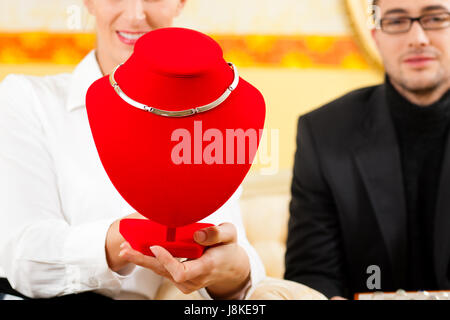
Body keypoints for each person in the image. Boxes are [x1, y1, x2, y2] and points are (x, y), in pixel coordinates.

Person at [0, 0, 265, 300]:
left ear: (180, 3)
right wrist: (123, 239)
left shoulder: (214, 117)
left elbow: (233, 246)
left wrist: (235, 273)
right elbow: (23, 256)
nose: (136, 15)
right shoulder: (29, 100)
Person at [285, 0, 450, 299]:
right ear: (376, 35)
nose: (418, 38)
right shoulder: (323, 133)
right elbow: (312, 273)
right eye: (397, 21)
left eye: (436, 18)